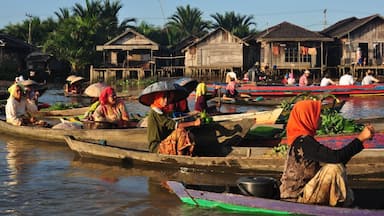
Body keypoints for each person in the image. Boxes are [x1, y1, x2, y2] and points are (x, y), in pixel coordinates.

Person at [279, 100, 374, 206]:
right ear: (308, 117)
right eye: (317, 115)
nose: (320, 118)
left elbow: (337, 158)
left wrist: (360, 141)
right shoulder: (304, 142)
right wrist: (360, 139)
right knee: (334, 168)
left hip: (302, 193)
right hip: (296, 198)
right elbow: (336, 158)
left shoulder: (301, 140)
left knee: (336, 165)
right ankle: (342, 206)